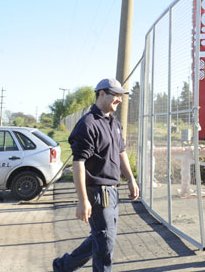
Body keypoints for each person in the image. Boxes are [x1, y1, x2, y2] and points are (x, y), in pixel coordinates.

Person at [53, 78, 139, 272]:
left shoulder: (114, 123)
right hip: (99, 193)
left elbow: (121, 151)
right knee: (105, 245)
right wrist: (83, 200)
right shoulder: (88, 124)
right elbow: (78, 163)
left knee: (101, 237)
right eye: (116, 95)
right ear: (101, 93)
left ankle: (63, 266)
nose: (120, 99)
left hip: (113, 191)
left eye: (121, 96)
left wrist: (131, 179)